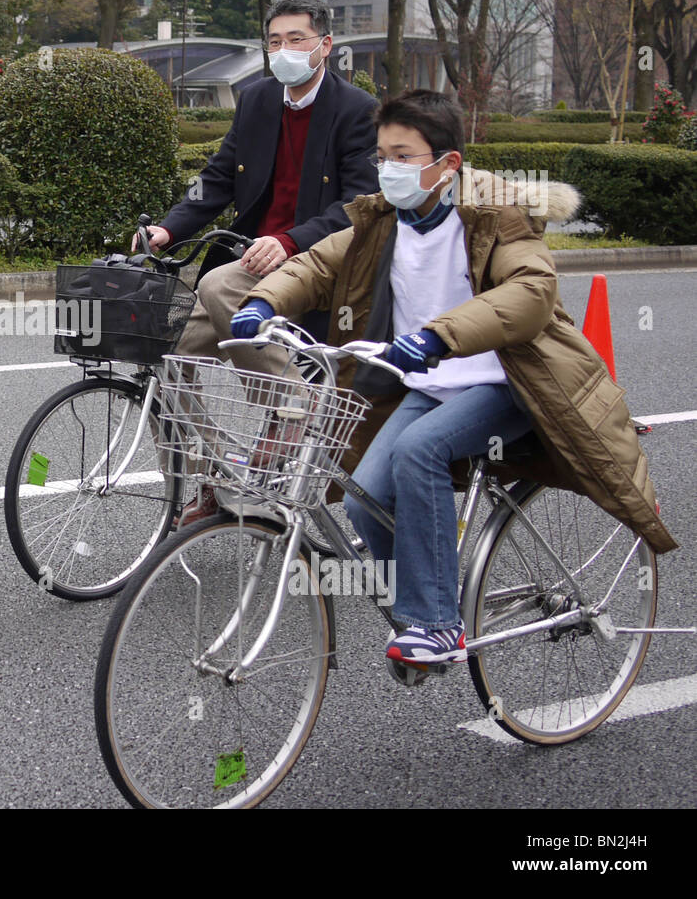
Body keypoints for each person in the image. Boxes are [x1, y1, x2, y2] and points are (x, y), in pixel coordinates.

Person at [229, 89, 678, 668]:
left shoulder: (496, 216)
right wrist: (263, 303)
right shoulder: (381, 221)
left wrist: (438, 337)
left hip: (505, 379)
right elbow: (317, 265)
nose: (389, 170)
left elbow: (531, 292)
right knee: (364, 498)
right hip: (429, 385)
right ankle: (417, 611)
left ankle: (438, 624)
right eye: (382, 157)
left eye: (404, 157)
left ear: (448, 165)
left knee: (420, 450)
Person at [136, 0, 380, 527]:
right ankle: (213, 480)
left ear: (325, 45)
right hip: (254, 259)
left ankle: (294, 404)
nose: (284, 50)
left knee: (219, 284)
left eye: (296, 39)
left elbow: (358, 205)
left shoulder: (356, 110)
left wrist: (291, 241)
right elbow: (218, 177)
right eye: (274, 41)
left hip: (315, 266)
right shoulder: (257, 99)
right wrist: (168, 228)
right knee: (161, 351)